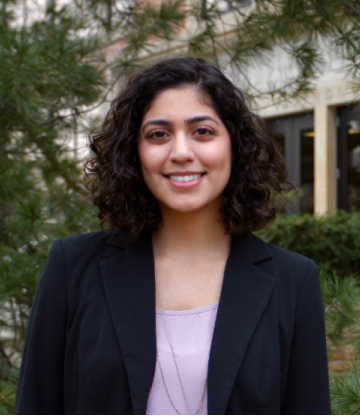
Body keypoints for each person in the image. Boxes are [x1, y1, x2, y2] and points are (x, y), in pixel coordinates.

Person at [15, 57, 331, 415]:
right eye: (158, 134)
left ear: (235, 146)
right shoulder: (73, 268)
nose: (181, 153)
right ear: (134, 152)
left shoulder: (293, 281)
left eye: (203, 132)